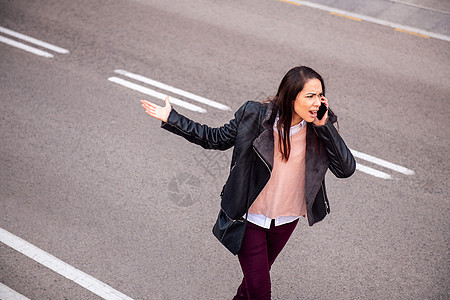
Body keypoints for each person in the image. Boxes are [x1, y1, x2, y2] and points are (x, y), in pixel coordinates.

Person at [140, 66, 356, 299]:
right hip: (249, 217)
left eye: (320, 96)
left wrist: (325, 128)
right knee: (260, 292)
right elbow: (216, 138)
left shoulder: (318, 128)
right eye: (310, 96)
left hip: (286, 219)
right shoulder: (255, 115)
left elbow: (345, 169)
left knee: (250, 288)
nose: (317, 103)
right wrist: (172, 118)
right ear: (291, 97)